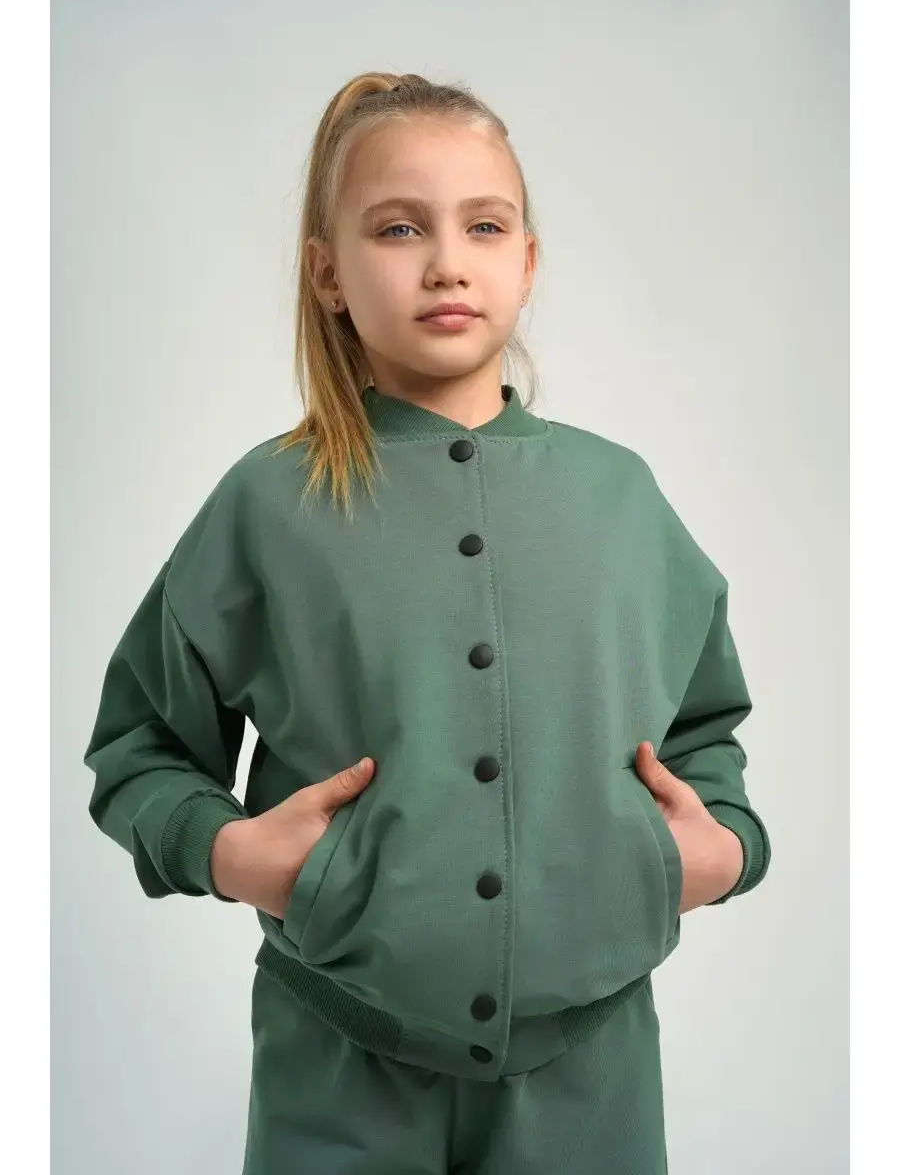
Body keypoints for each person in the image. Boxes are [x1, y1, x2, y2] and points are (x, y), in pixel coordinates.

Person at [83, 71, 772, 1174]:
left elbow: (703, 728)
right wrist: (230, 853)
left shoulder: (622, 498)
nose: (447, 261)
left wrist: (721, 849)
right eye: (399, 228)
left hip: (591, 1076)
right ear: (328, 273)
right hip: (335, 1063)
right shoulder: (268, 503)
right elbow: (140, 746)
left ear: (528, 262)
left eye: (484, 227)